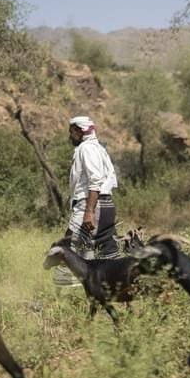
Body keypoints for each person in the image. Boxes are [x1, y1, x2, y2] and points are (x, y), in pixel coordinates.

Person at [54, 115, 120, 287]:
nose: (70, 136)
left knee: (69, 251)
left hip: (90, 205)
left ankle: (69, 299)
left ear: (79, 131)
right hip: (106, 205)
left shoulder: (86, 148)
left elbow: (95, 180)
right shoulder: (99, 148)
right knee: (104, 255)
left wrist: (89, 212)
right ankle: (114, 291)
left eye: (71, 132)